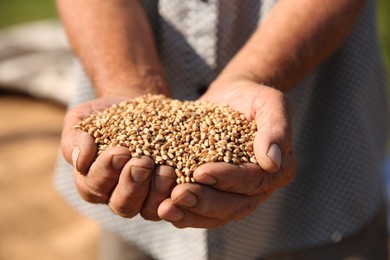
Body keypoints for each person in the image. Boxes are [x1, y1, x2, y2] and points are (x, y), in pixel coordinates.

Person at [54, 0, 389, 259]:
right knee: (133, 192)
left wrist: (257, 75)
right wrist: (125, 78)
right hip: (141, 225)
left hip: (319, 176)